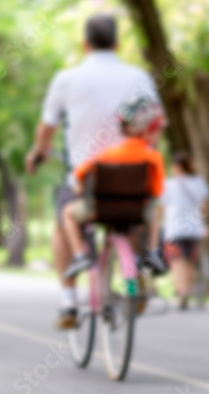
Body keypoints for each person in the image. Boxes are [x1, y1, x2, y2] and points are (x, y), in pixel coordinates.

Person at [26, 13, 163, 329]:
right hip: (134, 181)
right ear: (117, 43)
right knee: (139, 216)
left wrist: (38, 153)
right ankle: (136, 280)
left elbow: (46, 130)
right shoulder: (140, 78)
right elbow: (157, 123)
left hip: (88, 182)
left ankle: (69, 302)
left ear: (85, 43)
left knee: (64, 217)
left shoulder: (66, 79)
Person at [60, 96, 167, 278]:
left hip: (100, 211)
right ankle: (152, 253)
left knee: (68, 213)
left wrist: (79, 189)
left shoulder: (107, 155)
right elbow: (157, 191)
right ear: (148, 132)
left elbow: (79, 174)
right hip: (137, 213)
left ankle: (79, 255)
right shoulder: (153, 158)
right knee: (156, 212)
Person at [161, 151, 209, 310]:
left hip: (174, 228)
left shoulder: (169, 184)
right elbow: (204, 209)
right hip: (194, 229)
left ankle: (182, 291)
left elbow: (162, 207)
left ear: (175, 167)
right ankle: (188, 290)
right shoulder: (199, 183)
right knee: (190, 261)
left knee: (177, 261)